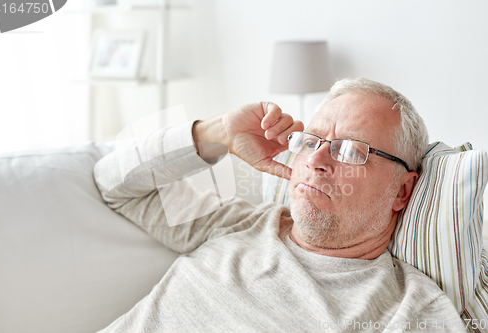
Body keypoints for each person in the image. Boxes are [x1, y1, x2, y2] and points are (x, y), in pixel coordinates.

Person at [94, 78, 466, 332]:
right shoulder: (237, 224)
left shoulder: (408, 312)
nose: (317, 160)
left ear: (403, 191)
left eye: (351, 150)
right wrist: (219, 132)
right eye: (311, 140)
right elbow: (114, 183)